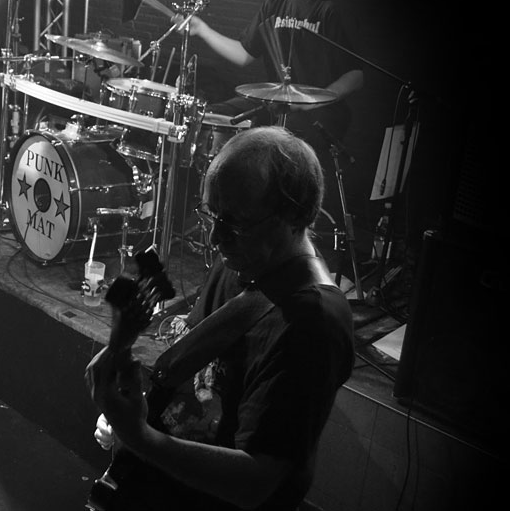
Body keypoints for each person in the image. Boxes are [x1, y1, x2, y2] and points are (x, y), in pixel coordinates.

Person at [86, 126, 355, 510]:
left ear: (293, 216)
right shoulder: (243, 260)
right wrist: (132, 412)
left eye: (235, 222)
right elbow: (201, 381)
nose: (214, 237)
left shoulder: (314, 326)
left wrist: (142, 438)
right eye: (211, 215)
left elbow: (256, 482)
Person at [181, 0, 363, 159]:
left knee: (278, 143)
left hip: (318, 116)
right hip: (275, 104)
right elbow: (244, 54)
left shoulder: (333, 7)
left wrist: (310, 102)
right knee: (213, 115)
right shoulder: (277, 1)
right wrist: (202, 30)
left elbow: (355, 76)